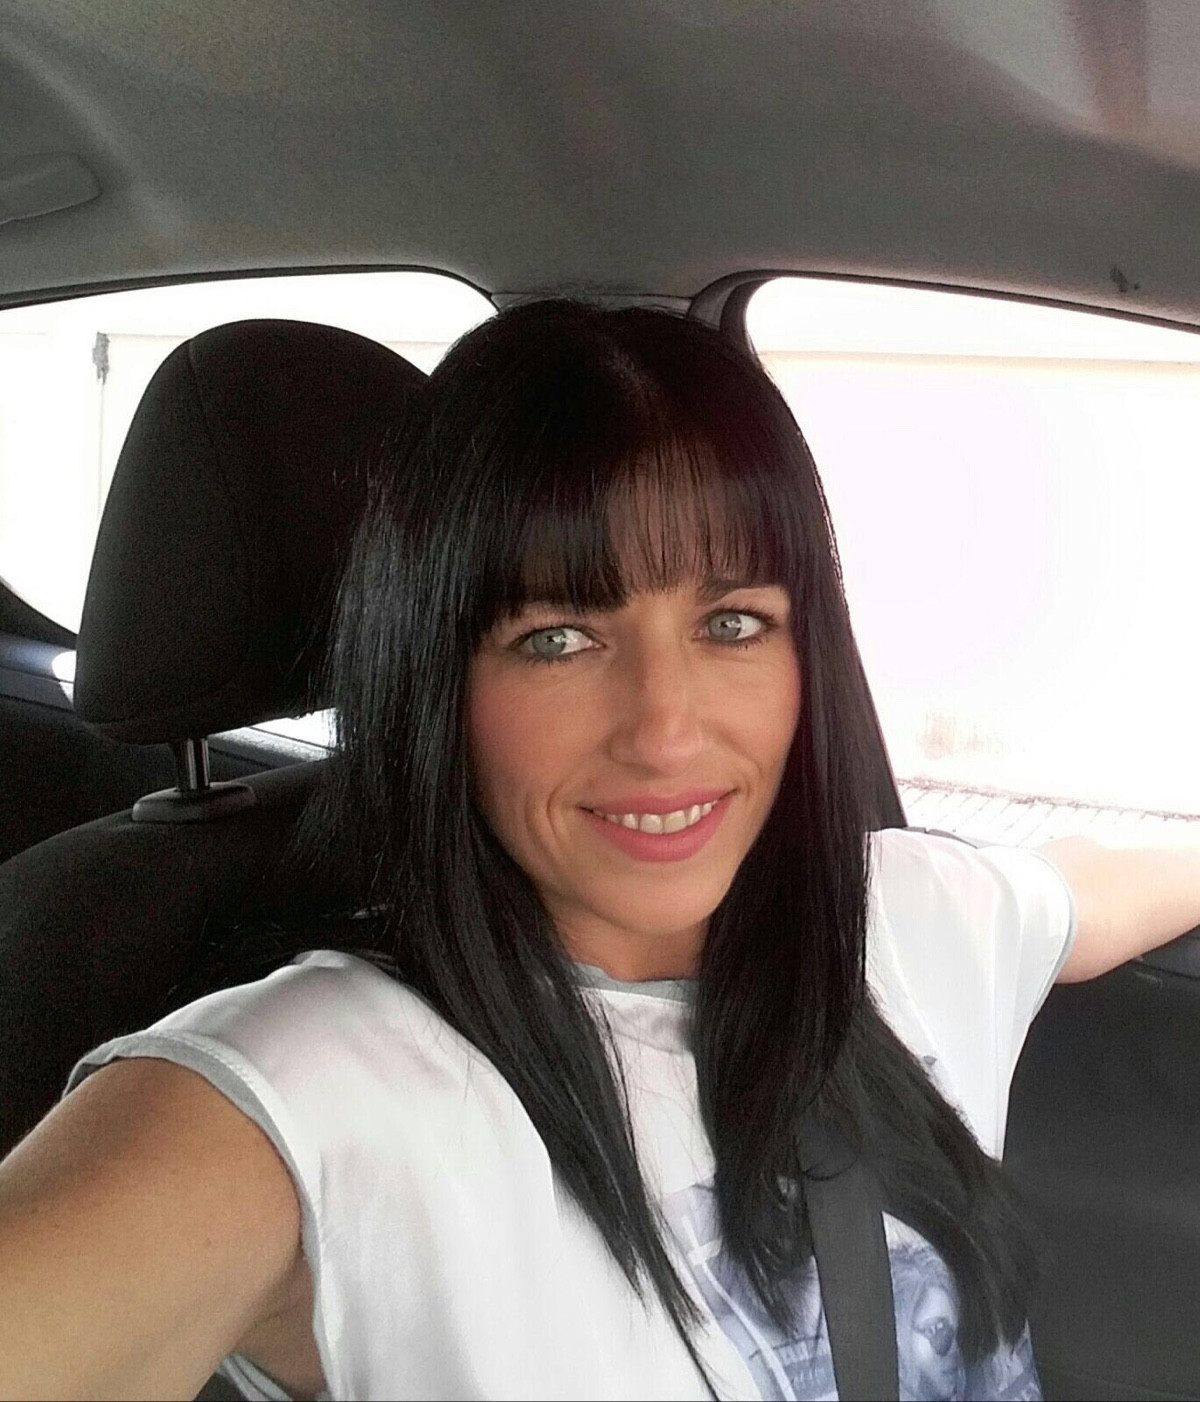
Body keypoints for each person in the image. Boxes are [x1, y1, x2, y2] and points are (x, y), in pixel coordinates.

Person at [1, 299, 1198, 1402]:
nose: (666, 729)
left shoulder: (910, 911)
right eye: (559, 637)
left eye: (734, 622)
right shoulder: (322, 1092)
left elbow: (1096, 888)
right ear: (440, 675)